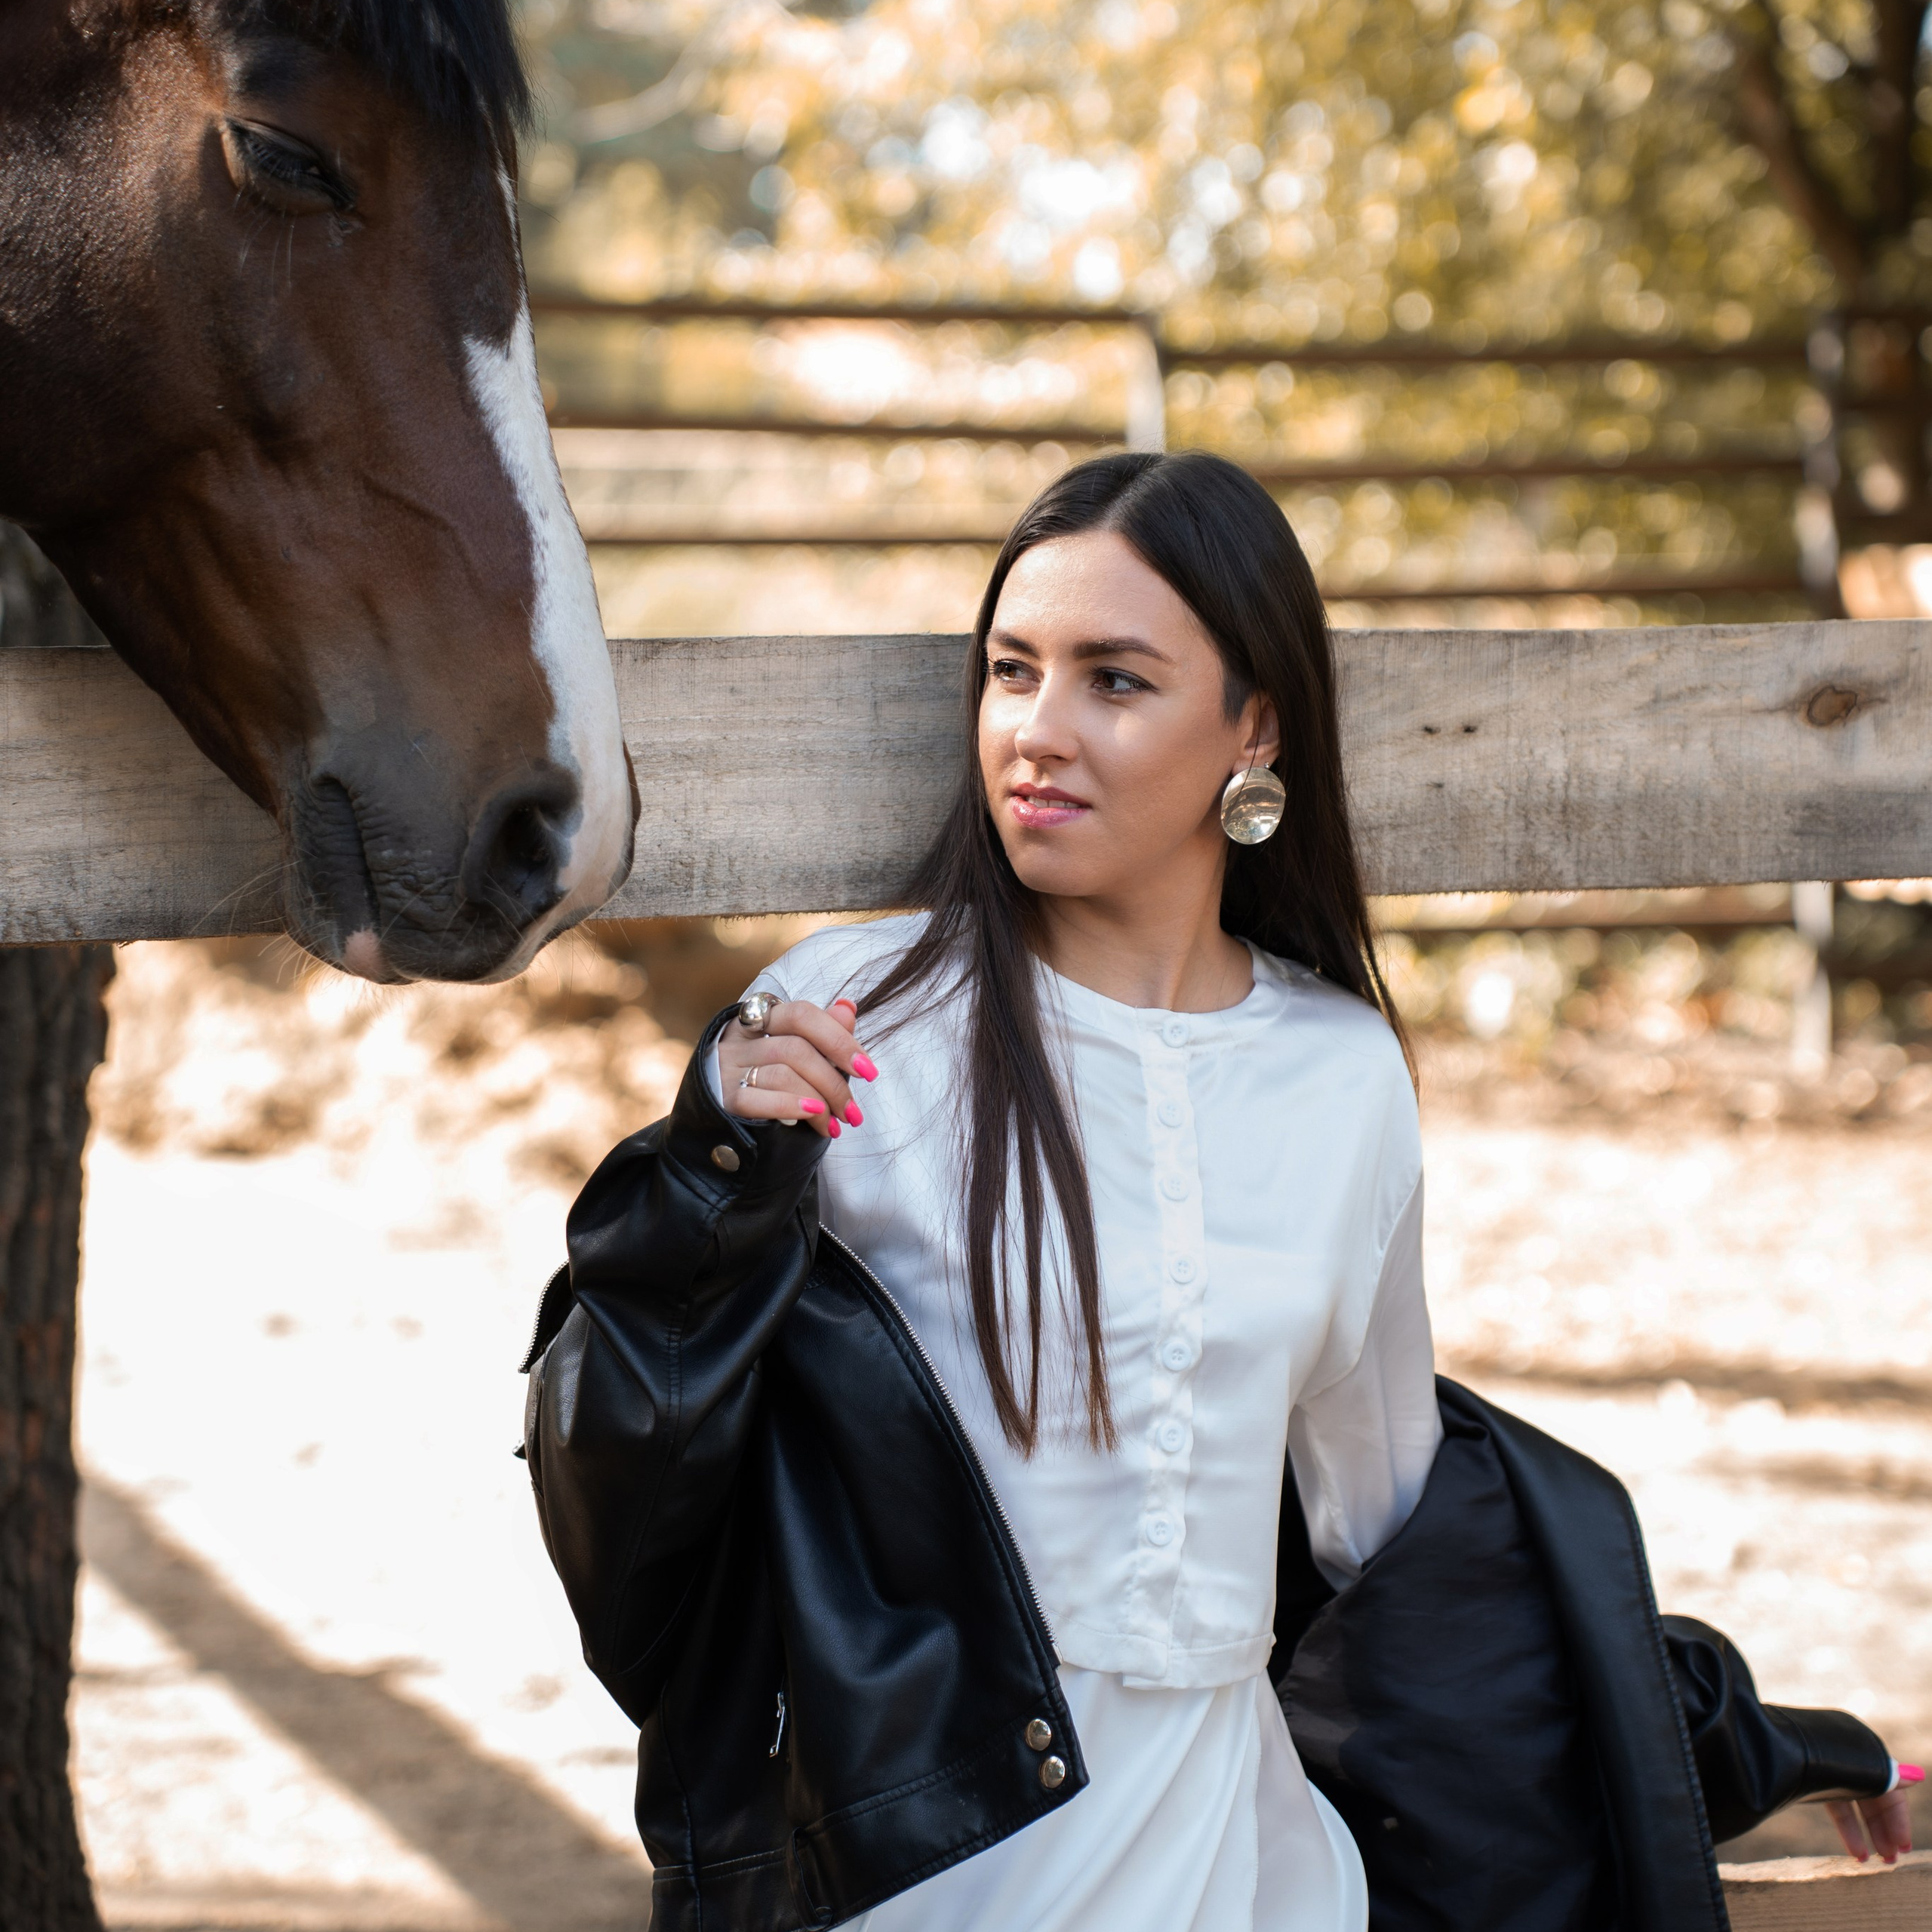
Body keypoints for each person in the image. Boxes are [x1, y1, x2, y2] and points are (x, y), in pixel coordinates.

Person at [521, 452, 1912, 1932]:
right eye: (1011, 670)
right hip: (908, 1871)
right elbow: (626, 1501)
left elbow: (1407, 1544)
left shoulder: (1342, 1074)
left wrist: (1747, 1740)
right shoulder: (848, 1021)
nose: (1037, 730)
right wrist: (711, 1174)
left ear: (1254, 725)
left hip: (1247, 1872)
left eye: (1114, 680)